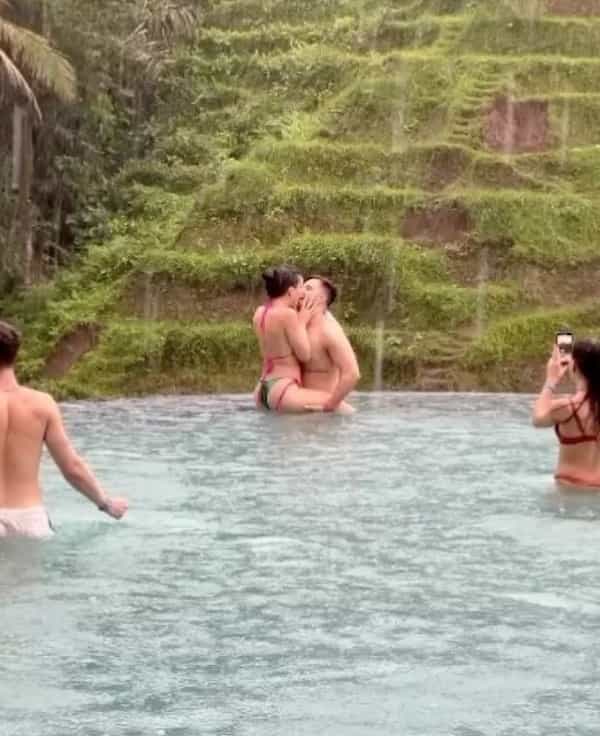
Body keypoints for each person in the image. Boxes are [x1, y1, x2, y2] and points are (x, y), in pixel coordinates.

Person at [0, 321, 128, 539]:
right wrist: (106, 503)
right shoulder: (42, 404)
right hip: (30, 521)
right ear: (15, 354)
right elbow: (72, 467)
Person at [253, 266, 345, 413]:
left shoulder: (260, 312)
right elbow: (304, 354)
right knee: (340, 407)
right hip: (282, 388)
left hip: (262, 388)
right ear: (290, 291)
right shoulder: (288, 315)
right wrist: (301, 322)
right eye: (301, 287)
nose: (302, 293)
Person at [532, 339, 600, 489]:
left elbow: (537, 419)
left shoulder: (568, 408)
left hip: (569, 489)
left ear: (575, 366)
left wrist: (551, 380)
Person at [303, 276, 360, 412]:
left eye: (308, 288)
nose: (302, 291)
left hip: (324, 414)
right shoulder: (298, 326)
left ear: (322, 298)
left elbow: (352, 374)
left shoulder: (329, 331)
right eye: (301, 287)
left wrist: (329, 406)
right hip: (298, 410)